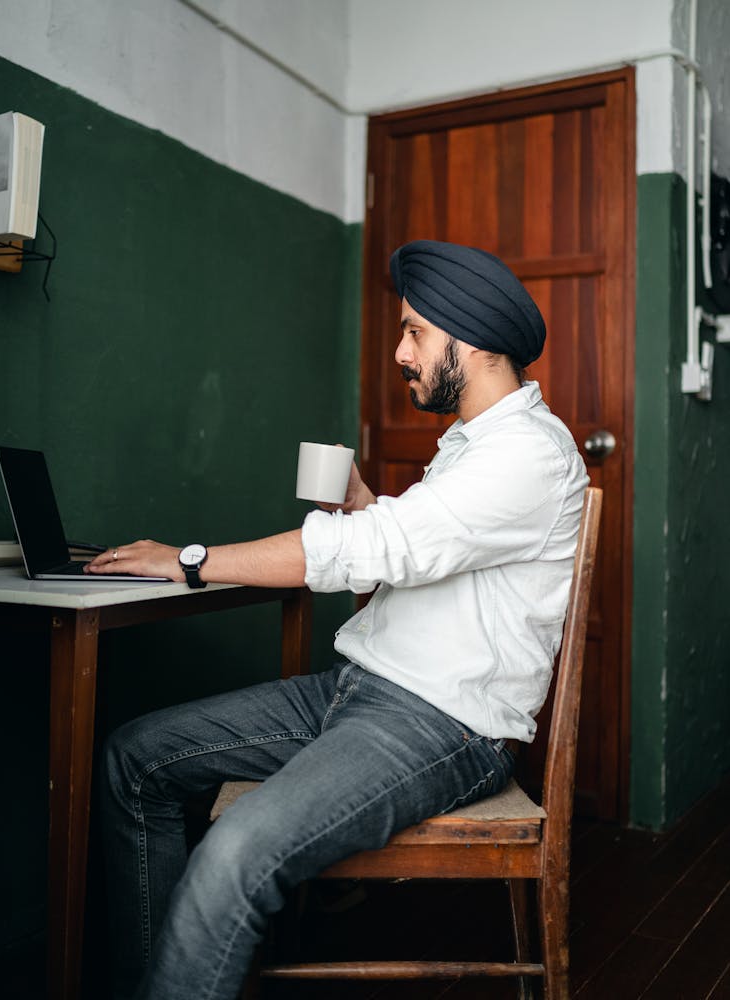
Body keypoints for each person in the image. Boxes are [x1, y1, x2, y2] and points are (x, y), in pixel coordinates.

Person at [87, 239, 589, 1000]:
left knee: (236, 851)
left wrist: (186, 558)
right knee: (136, 758)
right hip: (356, 692)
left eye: (416, 331)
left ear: (475, 341)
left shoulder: (529, 454)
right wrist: (365, 508)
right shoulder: (473, 443)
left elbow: (381, 549)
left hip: (442, 726)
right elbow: (436, 546)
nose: (399, 350)